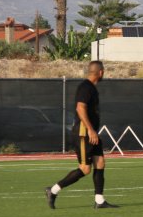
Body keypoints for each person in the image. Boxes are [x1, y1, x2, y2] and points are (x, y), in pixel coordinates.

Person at [45, 61, 119, 209]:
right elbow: (80, 108)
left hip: (91, 132)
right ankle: (52, 191)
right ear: (101, 72)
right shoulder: (86, 87)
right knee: (85, 168)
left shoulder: (91, 87)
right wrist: (91, 130)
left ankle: (99, 201)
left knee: (100, 163)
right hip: (84, 132)